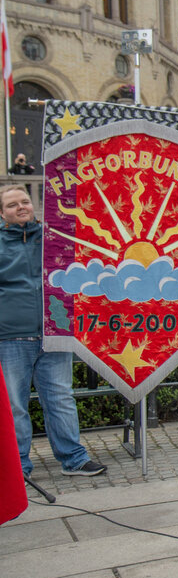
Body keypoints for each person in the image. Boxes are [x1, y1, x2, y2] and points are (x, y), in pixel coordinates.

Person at [0, 186, 106, 478]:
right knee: (14, 407)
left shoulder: (52, 238)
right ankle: (17, 467)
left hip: (54, 333)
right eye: (12, 205)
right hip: (10, 336)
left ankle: (74, 459)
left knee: (60, 398)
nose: (21, 207)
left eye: (24, 201)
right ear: (2, 213)